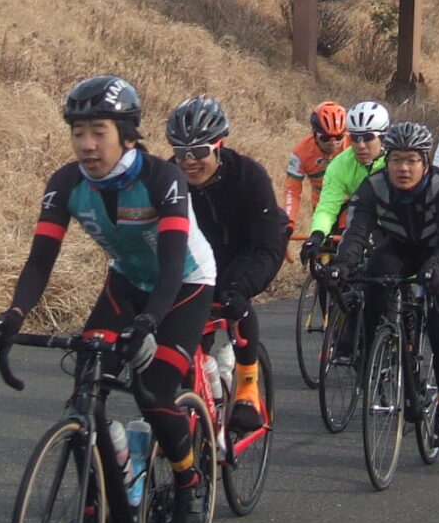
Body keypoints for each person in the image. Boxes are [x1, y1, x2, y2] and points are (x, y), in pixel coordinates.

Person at [0, 76, 218, 523]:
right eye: (78, 132)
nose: (87, 144)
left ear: (127, 135)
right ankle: (102, 504)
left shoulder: (161, 177)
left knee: (153, 392)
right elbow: (39, 261)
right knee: (84, 395)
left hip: (186, 285)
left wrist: (149, 322)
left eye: (99, 131)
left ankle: (188, 485)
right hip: (128, 281)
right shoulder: (66, 183)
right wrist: (13, 315)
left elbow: (173, 261)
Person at [334, 120, 439, 448]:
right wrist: (342, 264)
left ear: (425, 161)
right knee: (374, 275)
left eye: (411, 160)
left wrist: (437, 266)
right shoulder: (373, 186)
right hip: (399, 246)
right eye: (396, 159)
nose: (403, 168)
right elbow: (356, 231)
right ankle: (376, 354)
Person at [164, 96, 287, 447]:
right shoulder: (169, 178)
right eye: (180, 150)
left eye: (199, 150)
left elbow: (265, 246)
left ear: (219, 144)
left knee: (234, 293)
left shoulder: (249, 176)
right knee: (186, 319)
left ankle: (248, 384)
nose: (189, 161)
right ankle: (198, 399)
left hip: (254, 245)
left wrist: (240, 288)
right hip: (202, 255)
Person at [306, 99, 392, 254]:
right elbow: (327, 207)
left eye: (367, 137)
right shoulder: (339, 165)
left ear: (383, 137)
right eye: (354, 138)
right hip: (362, 224)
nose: (360, 145)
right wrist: (317, 235)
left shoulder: (396, 162)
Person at [284, 101, 350, 246]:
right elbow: (292, 191)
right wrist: (289, 222)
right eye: (326, 138)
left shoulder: (354, 144)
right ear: (314, 133)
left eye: (339, 137)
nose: (333, 143)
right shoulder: (301, 153)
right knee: (320, 253)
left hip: (351, 203)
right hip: (322, 206)